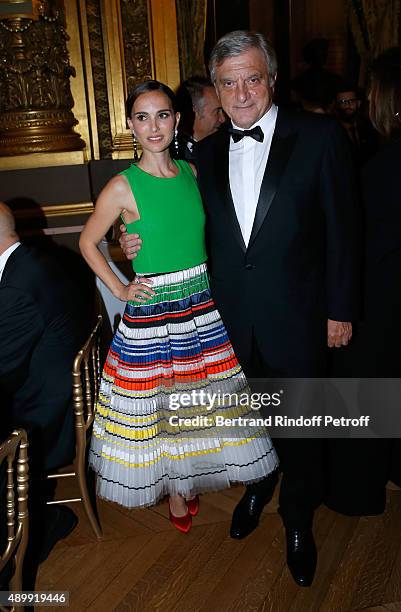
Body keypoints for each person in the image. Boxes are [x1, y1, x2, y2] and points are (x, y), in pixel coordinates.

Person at [119, 31, 359, 586]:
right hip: (222, 322)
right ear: (217, 90)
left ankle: (298, 521)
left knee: (302, 428)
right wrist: (129, 245)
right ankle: (258, 485)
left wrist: (340, 308)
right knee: (246, 425)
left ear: (271, 78)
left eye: (252, 78)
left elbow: (345, 230)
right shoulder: (199, 155)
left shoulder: (320, 136)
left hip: (299, 316)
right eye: (229, 82)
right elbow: (169, 221)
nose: (242, 92)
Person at [79, 80, 278, 535]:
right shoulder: (121, 186)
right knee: (162, 402)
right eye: (143, 117)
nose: (154, 126)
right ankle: (173, 487)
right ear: (130, 124)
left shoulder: (191, 172)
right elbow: (88, 241)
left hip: (202, 303)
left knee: (197, 399)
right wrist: (121, 286)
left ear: (177, 120)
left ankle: (187, 475)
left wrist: (125, 245)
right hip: (155, 310)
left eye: (163, 115)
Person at [329, 46, 401, 513]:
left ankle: (357, 491)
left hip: (381, 296)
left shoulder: (390, 164)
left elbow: (360, 240)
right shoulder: (386, 158)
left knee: (366, 389)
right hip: (391, 291)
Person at [0, 202, 81, 585]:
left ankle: (31, 533)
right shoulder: (29, 262)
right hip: (49, 387)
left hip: (41, 412)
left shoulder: (19, 283)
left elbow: (4, 370)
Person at [173, 75, 226, 160]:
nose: (223, 119)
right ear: (194, 112)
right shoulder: (172, 156)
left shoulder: (226, 148)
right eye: (217, 111)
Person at [335, 82, 378, 165]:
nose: (348, 105)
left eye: (351, 101)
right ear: (336, 105)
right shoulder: (334, 132)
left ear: (358, 103)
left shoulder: (368, 128)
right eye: (343, 101)